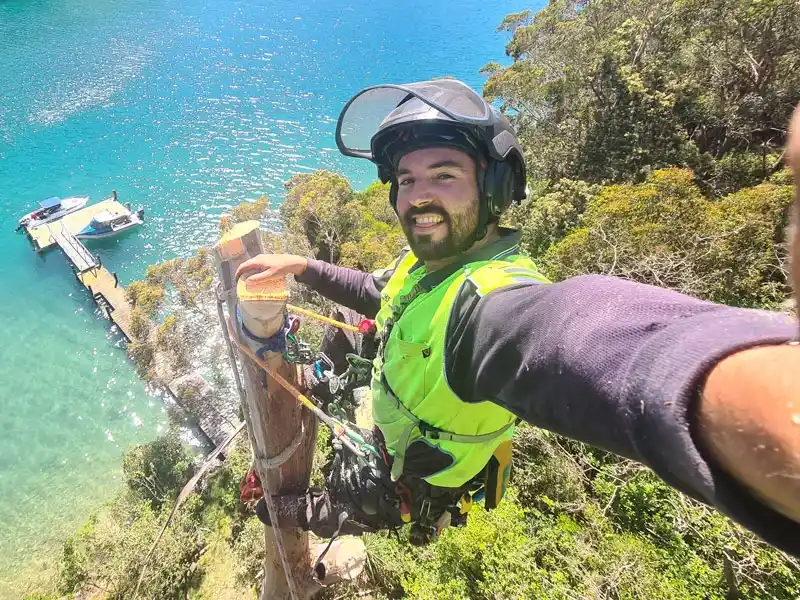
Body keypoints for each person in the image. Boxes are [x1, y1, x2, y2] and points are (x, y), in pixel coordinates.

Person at [237, 79, 800, 555]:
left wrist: (721, 378)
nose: (418, 196)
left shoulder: (492, 306)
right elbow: (378, 292)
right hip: (401, 436)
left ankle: (290, 513)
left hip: (416, 477)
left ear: (495, 188)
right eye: (406, 179)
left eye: (445, 174)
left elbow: (590, 338)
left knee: (343, 507)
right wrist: (303, 266)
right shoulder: (431, 263)